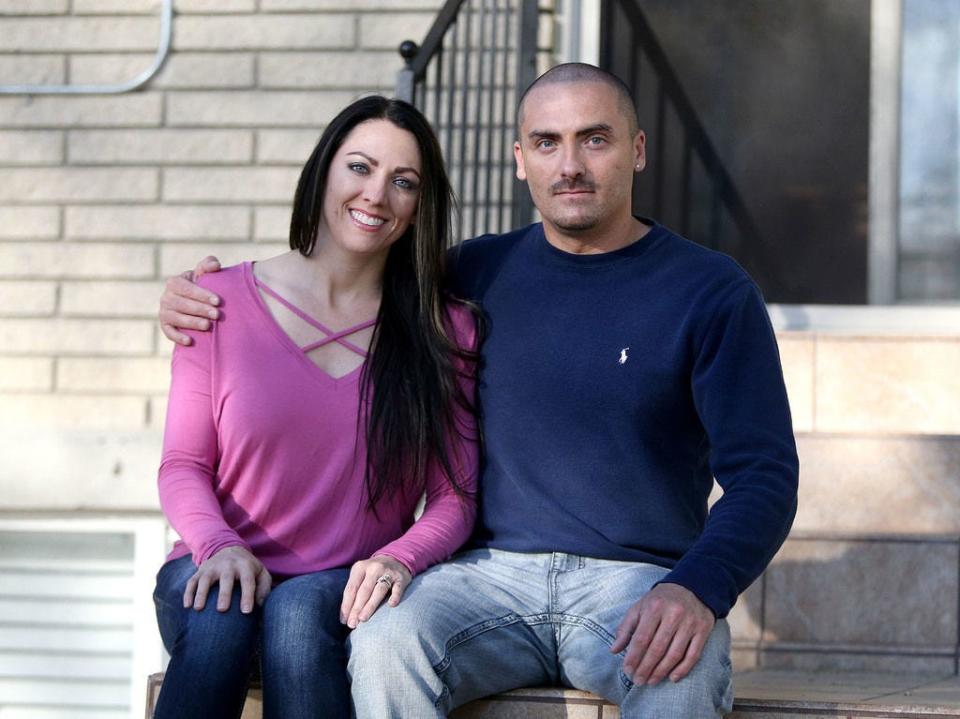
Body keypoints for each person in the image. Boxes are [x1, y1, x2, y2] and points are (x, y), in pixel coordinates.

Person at [159, 64, 798, 718]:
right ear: (521, 161)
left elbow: (764, 475)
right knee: (384, 641)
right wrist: (199, 294)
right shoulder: (470, 274)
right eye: (547, 142)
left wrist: (697, 586)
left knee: (681, 671)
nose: (570, 163)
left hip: (633, 583)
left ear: (637, 149)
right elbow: (352, 267)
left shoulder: (711, 291)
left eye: (595, 139)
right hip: (485, 578)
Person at [151, 95, 480, 719]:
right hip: (213, 566)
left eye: (402, 181)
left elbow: (454, 496)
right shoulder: (216, 303)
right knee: (224, 610)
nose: (376, 194)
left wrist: (397, 559)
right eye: (359, 167)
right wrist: (219, 545)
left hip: (339, 591)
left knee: (298, 616)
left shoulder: (444, 330)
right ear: (324, 170)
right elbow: (182, 464)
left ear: (418, 208)